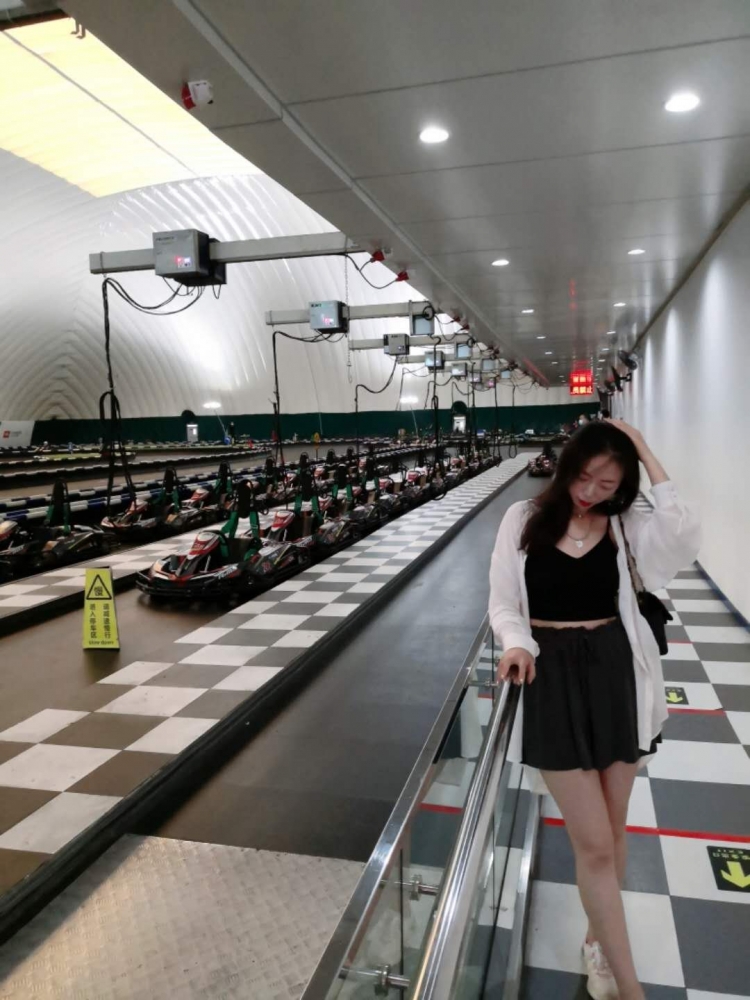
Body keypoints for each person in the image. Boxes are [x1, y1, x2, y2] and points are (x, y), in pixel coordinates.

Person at [489, 420, 700, 1000]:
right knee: (595, 842)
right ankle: (631, 989)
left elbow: (682, 531)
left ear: (623, 486)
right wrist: (516, 643)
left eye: (607, 484)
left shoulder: (626, 524)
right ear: (566, 468)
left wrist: (644, 449)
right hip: (551, 678)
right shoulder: (523, 519)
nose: (590, 492)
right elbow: (503, 601)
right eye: (584, 477)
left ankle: (597, 943)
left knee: (612, 827)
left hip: (614, 674)